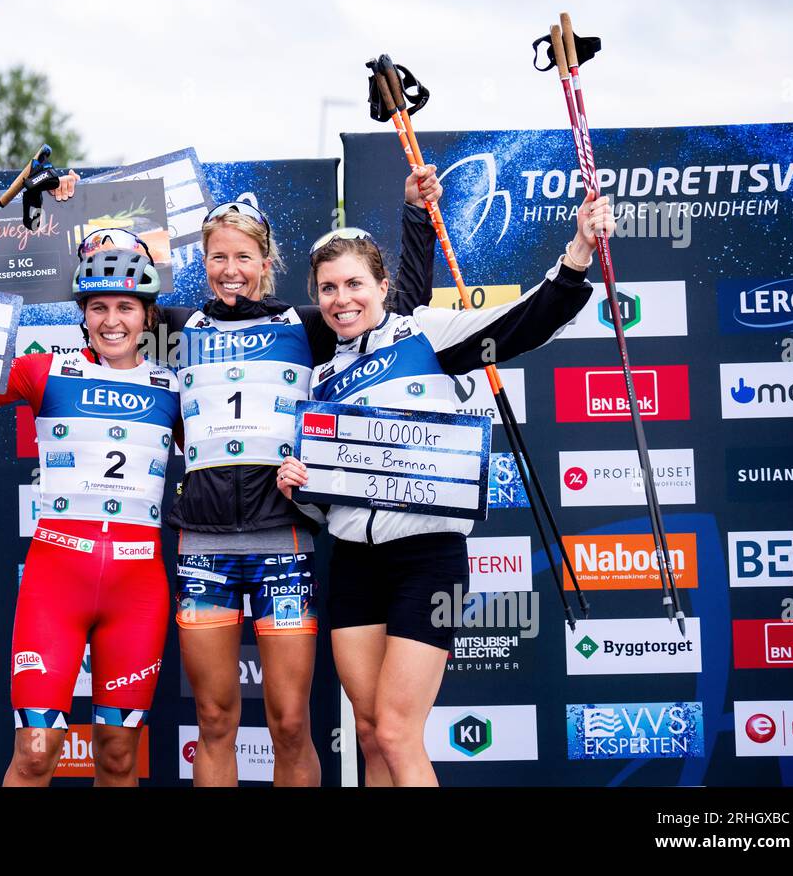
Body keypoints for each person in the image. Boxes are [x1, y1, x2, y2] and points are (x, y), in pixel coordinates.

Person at [276, 193, 613, 786]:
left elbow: (522, 323)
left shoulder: (425, 335)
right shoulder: (321, 376)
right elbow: (322, 494)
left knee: (399, 731)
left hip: (427, 559)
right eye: (327, 289)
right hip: (354, 562)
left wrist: (580, 250)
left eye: (354, 283)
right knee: (370, 732)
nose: (341, 300)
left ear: (383, 285)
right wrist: (298, 484)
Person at [160, 168, 441, 787]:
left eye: (244, 256)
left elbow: (396, 314)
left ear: (266, 262)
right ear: (202, 263)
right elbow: (107, 317)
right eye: (217, 257)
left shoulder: (306, 324)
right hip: (203, 544)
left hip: (284, 541)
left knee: (289, 723)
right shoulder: (175, 329)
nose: (230, 268)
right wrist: (66, 216)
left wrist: (416, 216)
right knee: (212, 719)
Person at [0, 229, 178, 787]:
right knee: (37, 753)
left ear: (147, 316)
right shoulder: (45, 370)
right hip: (55, 581)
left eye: (126, 307)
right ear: (83, 314)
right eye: (99, 307)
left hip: (137, 589)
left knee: (117, 756)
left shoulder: (173, 387)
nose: (113, 320)